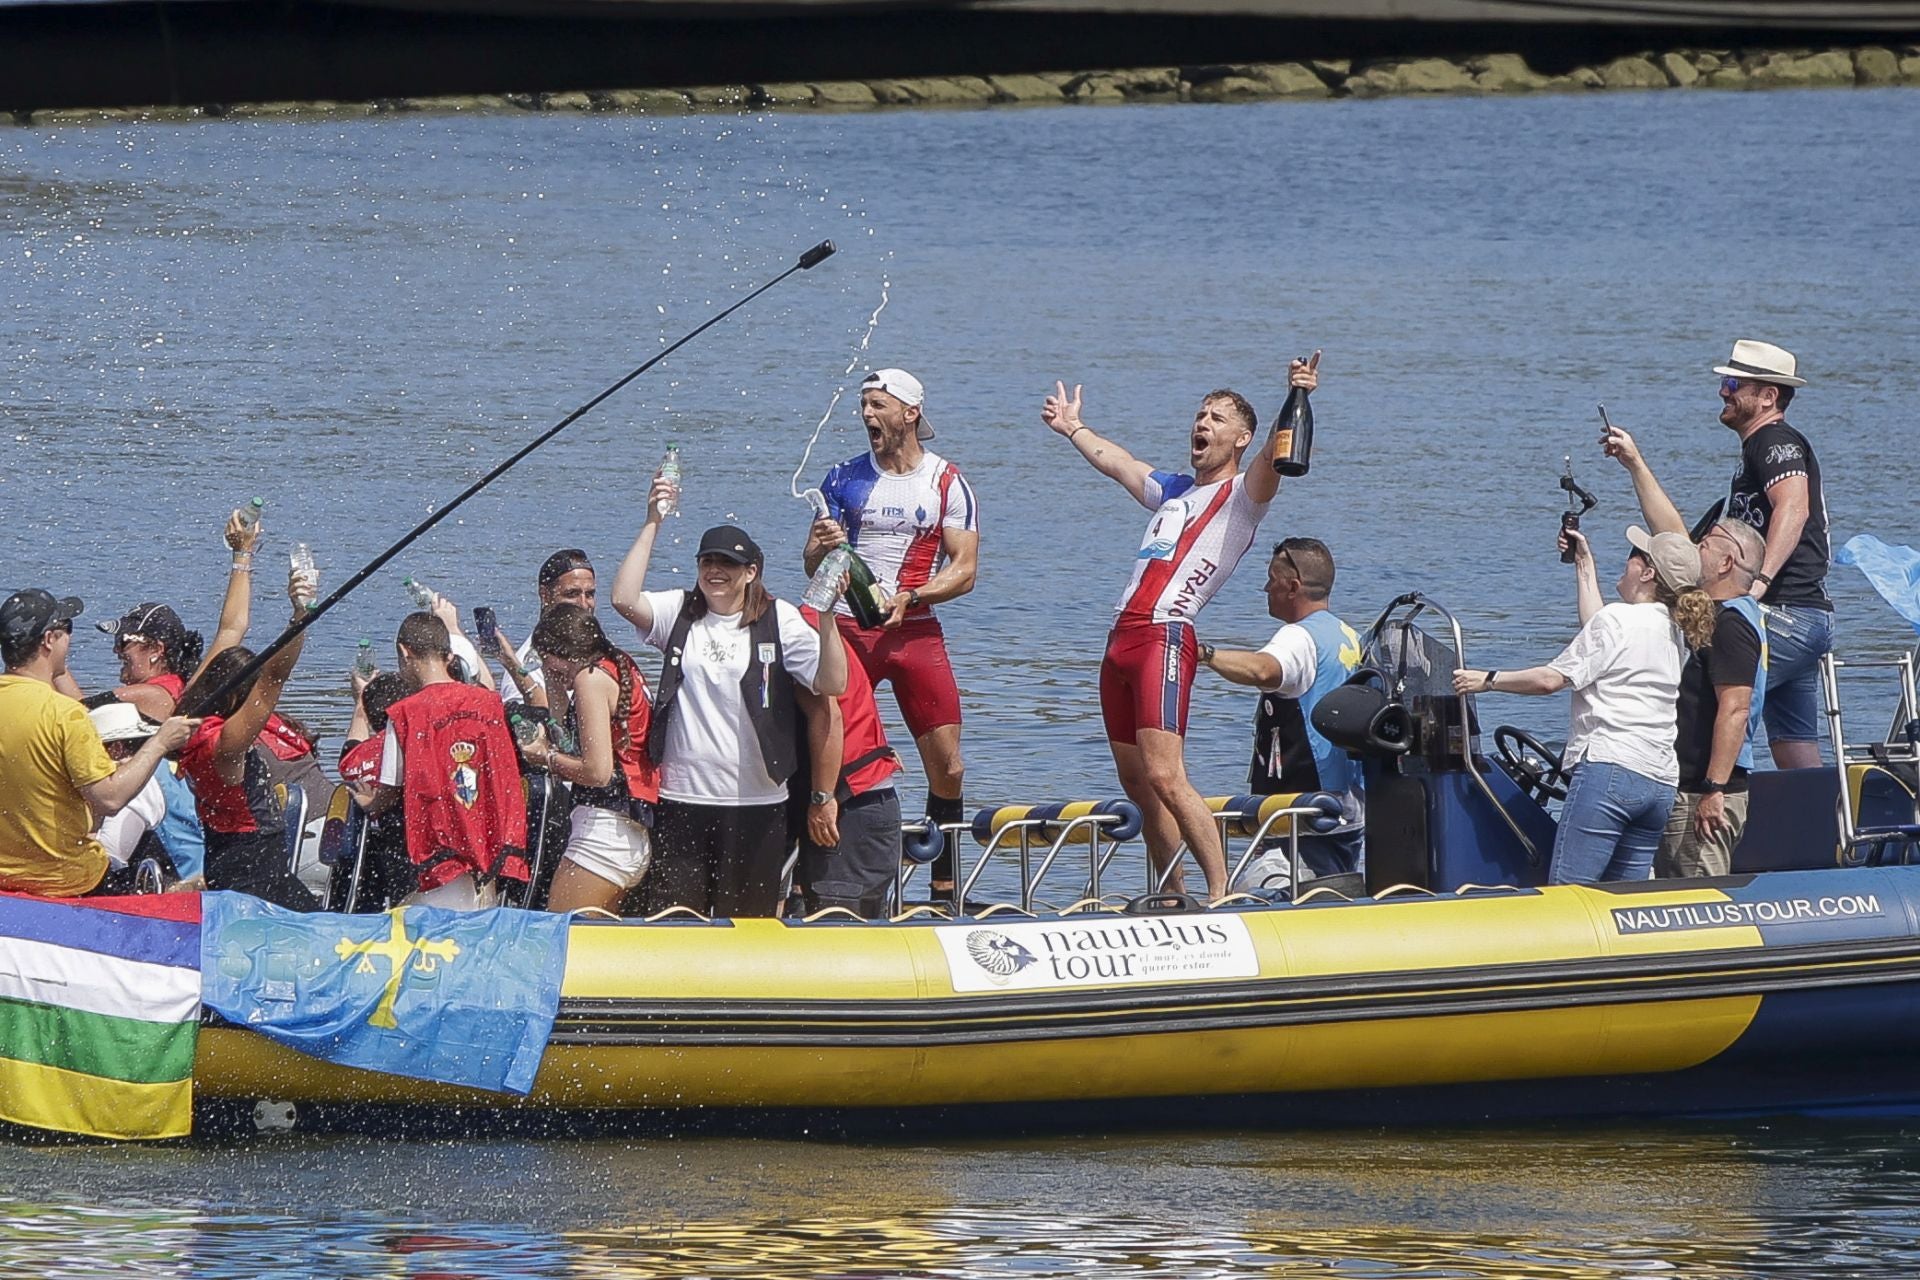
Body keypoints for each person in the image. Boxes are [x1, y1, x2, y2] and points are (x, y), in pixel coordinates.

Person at [1041, 357, 1320, 900]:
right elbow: (1117, 462)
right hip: (1121, 640)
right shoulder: (1173, 492)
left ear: (1240, 438)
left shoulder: (1244, 495)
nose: (1202, 424)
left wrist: (1297, 393)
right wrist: (1074, 427)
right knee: (1137, 782)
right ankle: (1171, 890)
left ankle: (1220, 894)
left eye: (1216, 418)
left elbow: (1277, 455)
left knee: (1167, 776)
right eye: (1200, 415)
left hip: (1166, 636)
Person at [612, 479, 849, 919]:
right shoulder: (679, 612)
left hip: (758, 805)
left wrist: (830, 615)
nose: (715, 572)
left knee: (746, 922)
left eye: (728, 564)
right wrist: (653, 520)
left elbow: (832, 683)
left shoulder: (779, 619)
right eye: (708, 562)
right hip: (683, 799)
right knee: (677, 918)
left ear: (751, 572)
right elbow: (623, 598)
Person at [1601, 339, 1831, 769]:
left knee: (1694, 700)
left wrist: (1758, 586)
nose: (1723, 392)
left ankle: (1690, 803)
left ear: (1768, 396)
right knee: (1795, 750)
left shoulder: (1774, 440)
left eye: (1733, 383)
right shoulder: (1756, 451)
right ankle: (1821, 831)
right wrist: (1634, 463)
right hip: (1804, 617)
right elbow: (1681, 544)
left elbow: (1795, 508)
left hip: (1781, 614)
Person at [803, 368, 977, 903]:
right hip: (850, 629)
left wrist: (913, 598)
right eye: (864, 405)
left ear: (910, 413)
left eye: (879, 405)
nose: (867, 415)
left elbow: (965, 569)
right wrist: (820, 542)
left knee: (948, 765)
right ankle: (824, 872)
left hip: (914, 630)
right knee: (836, 753)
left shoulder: (947, 481)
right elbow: (813, 565)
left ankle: (944, 887)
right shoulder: (841, 477)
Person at [1454, 526, 1714, 884]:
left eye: (1632, 557)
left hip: (1609, 771)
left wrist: (1488, 679)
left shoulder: (1619, 620)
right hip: (1659, 783)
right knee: (1625, 905)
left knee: (1570, 893)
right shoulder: (1674, 632)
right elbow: (1598, 632)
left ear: (1648, 572)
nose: (1624, 564)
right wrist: (1583, 564)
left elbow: (1549, 681)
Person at [0, 590, 196, 897]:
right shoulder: (67, 716)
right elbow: (110, 799)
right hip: (67, 880)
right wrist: (159, 743)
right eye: (67, 629)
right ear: (49, 640)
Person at [1197, 538, 1365, 889]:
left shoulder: (1299, 638)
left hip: (1305, 810)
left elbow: (1264, 670)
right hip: (1347, 809)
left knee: (1255, 894)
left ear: (1293, 586)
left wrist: (1205, 654)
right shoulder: (1348, 636)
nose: (1265, 587)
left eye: (1272, 578)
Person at [175, 566, 322, 910]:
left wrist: (242, 555)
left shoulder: (187, 716)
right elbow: (274, 678)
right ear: (232, 700)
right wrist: (302, 613)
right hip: (256, 875)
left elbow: (230, 630)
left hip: (222, 858)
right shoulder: (225, 746)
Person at [371, 612, 530, 909]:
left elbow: (392, 788)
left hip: (441, 855)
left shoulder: (405, 713)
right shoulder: (490, 704)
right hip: (489, 847)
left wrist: (369, 804)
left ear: (405, 652)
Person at [526, 604, 661, 915]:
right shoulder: (616, 665)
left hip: (601, 839)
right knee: (596, 943)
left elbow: (597, 772)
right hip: (628, 835)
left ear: (566, 651)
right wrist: (553, 677)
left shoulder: (590, 679)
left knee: (560, 937)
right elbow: (564, 731)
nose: (553, 673)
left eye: (551, 664)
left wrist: (544, 757)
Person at [1658, 518, 1771, 878]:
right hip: (1692, 789)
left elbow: (1736, 708)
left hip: (1703, 795)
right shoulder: (1721, 616)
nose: (1695, 548)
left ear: (1726, 563)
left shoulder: (1731, 624)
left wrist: (1713, 789)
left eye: (1705, 543)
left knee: (1700, 899)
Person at [795, 605, 905, 919]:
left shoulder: (795, 635)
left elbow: (829, 717)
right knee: (863, 928)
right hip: (873, 796)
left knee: (836, 930)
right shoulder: (814, 625)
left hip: (849, 805)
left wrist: (821, 798)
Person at [88, 702, 207, 885]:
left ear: (116, 749)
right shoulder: (169, 767)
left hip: (174, 893)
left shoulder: (136, 787)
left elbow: (109, 858)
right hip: (200, 877)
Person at [337, 670, 414, 909]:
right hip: (413, 854)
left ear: (371, 719)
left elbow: (352, 746)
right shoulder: (417, 746)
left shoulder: (356, 760)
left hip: (377, 859)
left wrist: (360, 702)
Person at [495, 548, 597, 708]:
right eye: (572, 594)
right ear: (545, 595)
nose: (584, 604)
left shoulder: (600, 651)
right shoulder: (527, 667)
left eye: (590, 594)